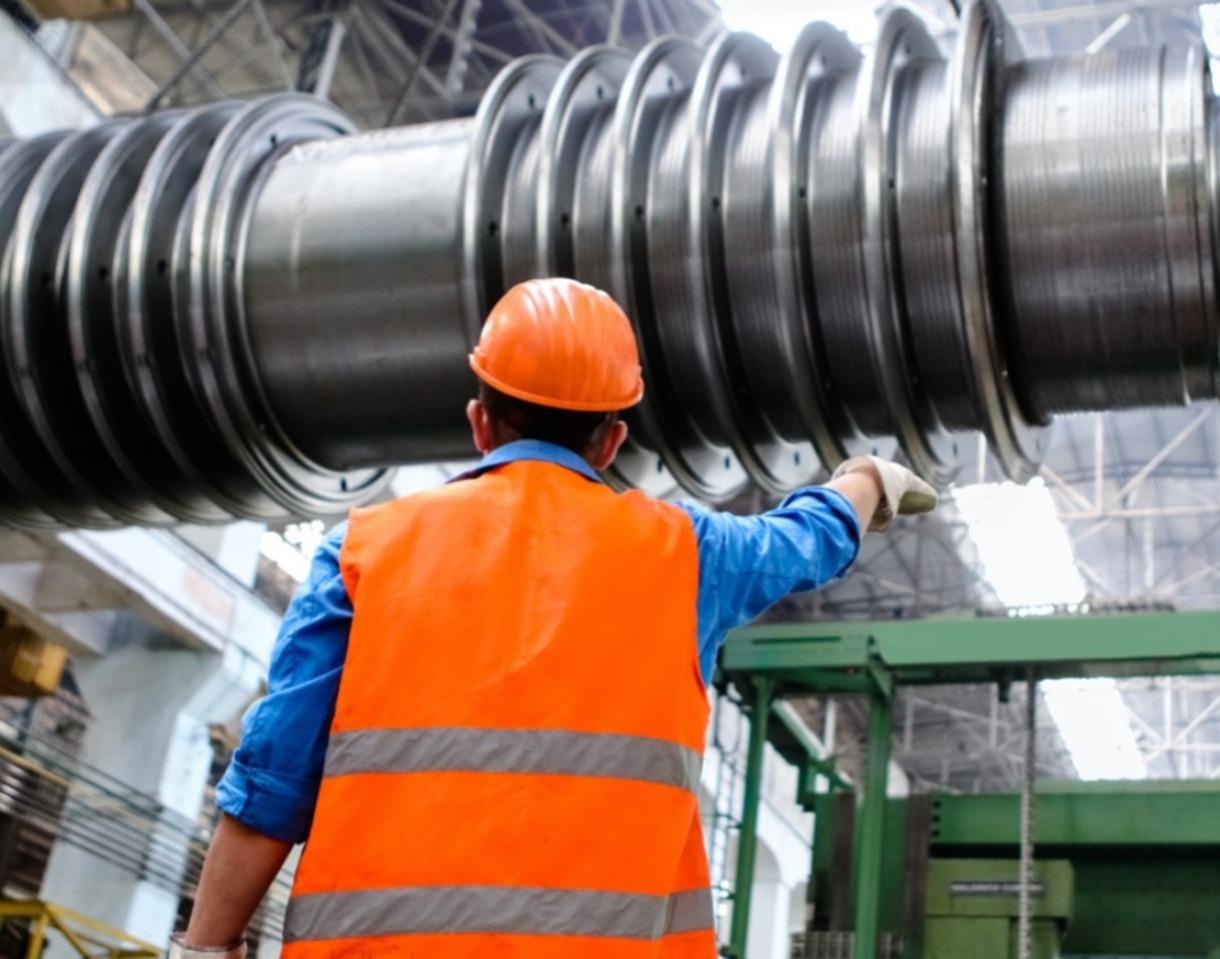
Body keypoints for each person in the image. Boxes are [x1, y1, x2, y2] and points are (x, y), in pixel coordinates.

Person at [174, 278, 936, 959]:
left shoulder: (364, 550)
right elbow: (809, 540)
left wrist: (208, 947)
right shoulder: (687, 555)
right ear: (611, 440)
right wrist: (864, 478)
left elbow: (270, 784)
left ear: (479, 421)